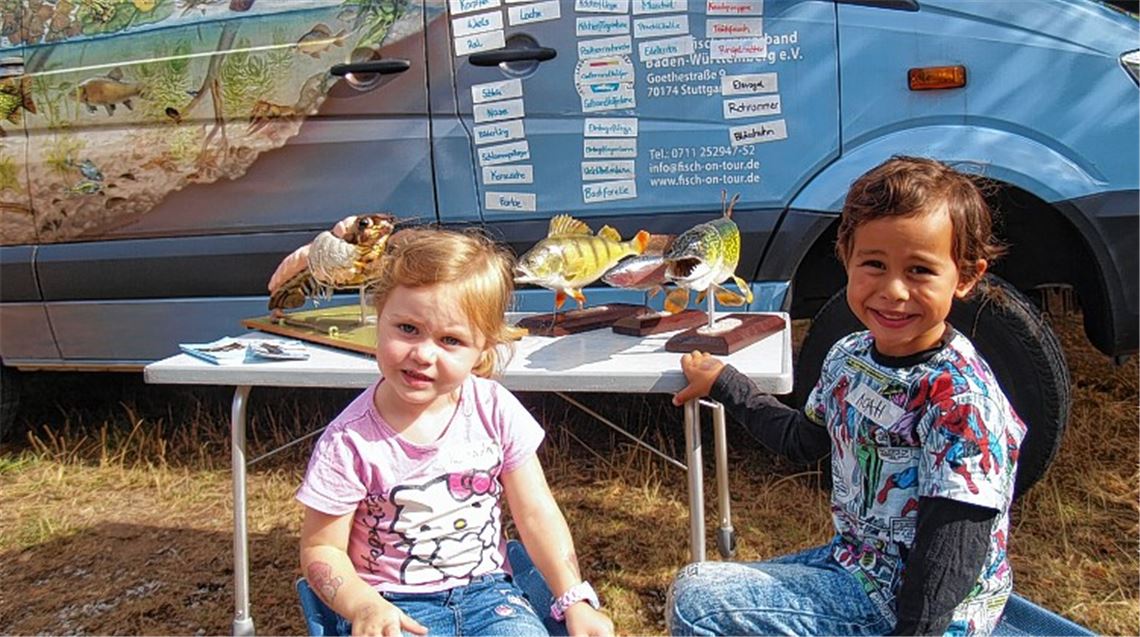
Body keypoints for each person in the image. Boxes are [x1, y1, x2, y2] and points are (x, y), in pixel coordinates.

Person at [666, 156, 1026, 637]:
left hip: (918, 610)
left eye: (920, 270)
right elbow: (803, 438)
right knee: (707, 584)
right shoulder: (849, 356)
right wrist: (728, 385)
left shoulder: (959, 398)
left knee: (699, 602)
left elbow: (952, 549)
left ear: (965, 277)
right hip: (857, 565)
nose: (893, 290)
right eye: (874, 264)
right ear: (846, 258)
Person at [297, 226, 615, 637]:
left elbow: (535, 512)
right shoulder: (349, 442)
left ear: (483, 349)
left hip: (489, 595)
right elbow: (321, 548)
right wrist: (362, 605)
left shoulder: (494, 409)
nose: (423, 354)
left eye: (450, 340)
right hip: (389, 600)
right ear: (379, 320)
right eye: (407, 329)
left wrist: (573, 597)